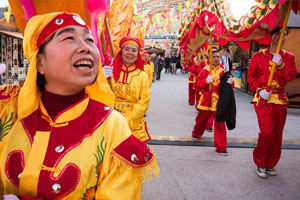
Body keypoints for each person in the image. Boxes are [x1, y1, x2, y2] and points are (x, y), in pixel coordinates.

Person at [0, 12, 159, 199]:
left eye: (90, 40)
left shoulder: (112, 127)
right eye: (69, 38)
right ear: (40, 62)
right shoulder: (7, 109)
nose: (86, 48)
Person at [247, 27, 297, 178]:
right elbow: (251, 76)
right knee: (267, 131)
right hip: (263, 99)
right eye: (277, 33)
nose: (281, 37)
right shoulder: (258, 56)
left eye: (285, 34)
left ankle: (270, 163)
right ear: (271, 36)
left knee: (277, 134)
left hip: (280, 100)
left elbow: (291, 76)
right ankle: (260, 162)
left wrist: (281, 65)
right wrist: (258, 90)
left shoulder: (289, 57)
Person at [102, 36, 151, 142]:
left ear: (138, 54)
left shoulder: (142, 75)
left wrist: (127, 119)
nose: (130, 53)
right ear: (121, 51)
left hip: (133, 123)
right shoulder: (110, 72)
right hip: (111, 120)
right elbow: (102, 95)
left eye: (134, 50)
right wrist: (100, 79)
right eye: (126, 49)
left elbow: (144, 102)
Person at [191, 49, 234, 156]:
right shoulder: (205, 71)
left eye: (217, 57)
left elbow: (229, 88)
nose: (216, 59)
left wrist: (230, 83)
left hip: (218, 102)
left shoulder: (223, 72)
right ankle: (196, 133)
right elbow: (197, 84)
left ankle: (221, 147)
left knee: (220, 124)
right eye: (214, 57)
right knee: (201, 120)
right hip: (206, 100)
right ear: (210, 59)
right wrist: (206, 81)